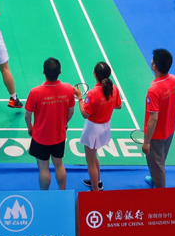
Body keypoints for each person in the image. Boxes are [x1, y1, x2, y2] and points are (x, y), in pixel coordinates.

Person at [25, 57, 75, 191]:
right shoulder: (68, 89)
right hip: (59, 136)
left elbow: (27, 115)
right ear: (60, 72)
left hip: (40, 137)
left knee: (43, 168)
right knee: (59, 165)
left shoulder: (35, 92)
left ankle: (44, 195)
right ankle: (62, 192)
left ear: (44, 72)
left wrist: (30, 127)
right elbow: (71, 111)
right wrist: (64, 123)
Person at [76, 62, 121, 191]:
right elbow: (118, 106)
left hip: (93, 129)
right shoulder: (113, 88)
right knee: (94, 155)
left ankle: (95, 191)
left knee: (90, 161)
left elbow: (85, 114)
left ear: (95, 74)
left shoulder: (93, 93)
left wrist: (79, 97)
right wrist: (106, 105)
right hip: (105, 127)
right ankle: (97, 181)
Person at [143, 48, 175, 188]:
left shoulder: (154, 90)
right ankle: (155, 179)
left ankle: (160, 191)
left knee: (157, 165)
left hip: (156, 135)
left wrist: (147, 142)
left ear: (154, 66)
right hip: (169, 129)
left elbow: (153, 118)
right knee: (160, 159)